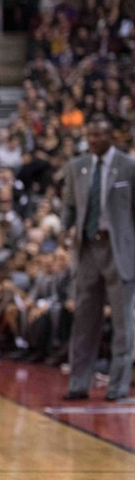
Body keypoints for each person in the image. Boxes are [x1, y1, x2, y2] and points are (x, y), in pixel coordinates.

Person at [61, 118, 135, 401]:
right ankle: (79, 384)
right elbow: (69, 205)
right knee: (84, 320)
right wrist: (64, 231)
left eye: (100, 134)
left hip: (119, 250)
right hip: (87, 248)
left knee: (122, 324)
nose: (94, 139)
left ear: (111, 136)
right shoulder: (77, 166)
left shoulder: (129, 166)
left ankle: (117, 388)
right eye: (90, 135)